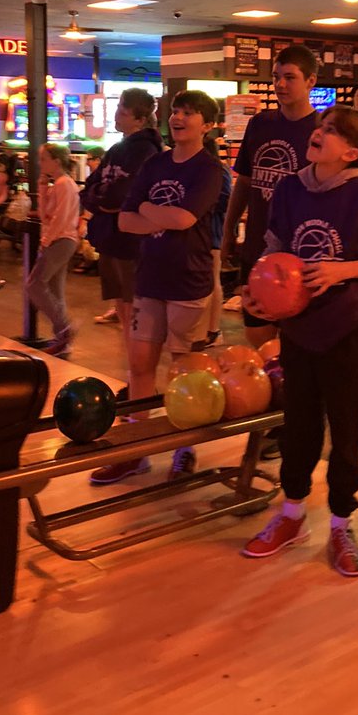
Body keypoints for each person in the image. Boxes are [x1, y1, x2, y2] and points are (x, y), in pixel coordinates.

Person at [239, 106, 358, 576]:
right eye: (322, 127)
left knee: (346, 430)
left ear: (352, 152)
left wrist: (342, 270)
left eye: (331, 132)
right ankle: (292, 515)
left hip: (346, 329)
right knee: (298, 426)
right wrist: (260, 294)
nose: (320, 133)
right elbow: (275, 249)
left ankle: (340, 522)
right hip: (298, 328)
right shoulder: (292, 187)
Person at [90, 91, 223, 486]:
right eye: (175, 112)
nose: (179, 119)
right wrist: (152, 215)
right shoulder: (155, 163)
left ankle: (185, 448)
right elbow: (124, 222)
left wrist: (147, 210)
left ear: (208, 125)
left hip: (188, 280)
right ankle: (137, 450)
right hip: (149, 278)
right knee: (140, 367)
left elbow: (184, 218)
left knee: (185, 372)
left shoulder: (208, 169)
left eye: (189, 113)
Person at [222, 45, 320, 351]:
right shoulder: (260, 124)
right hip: (256, 247)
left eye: (289, 77)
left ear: (310, 82)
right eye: (276, 77)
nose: (280, 85)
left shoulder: (322, 130)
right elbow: (245, 181)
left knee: (293, 345)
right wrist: (227, 230)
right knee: (257, 337)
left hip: (298, 254)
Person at [81, 89, 163, 360]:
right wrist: (101, 199)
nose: (116, 116)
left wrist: (101, 199)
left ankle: (138, 368)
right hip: (111, 237)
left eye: (122, 112)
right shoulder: (118, 148)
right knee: (122, 306)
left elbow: (124, 194)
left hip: (130, 241)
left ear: (140, 119)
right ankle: (132, 364)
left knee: (133, 306)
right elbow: (89, 188)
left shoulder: (146, 150)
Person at [26, 143, 81, 357]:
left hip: (61, 240)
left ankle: (65, 327)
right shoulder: (57, 184)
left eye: (43, 159)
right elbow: (44, 215)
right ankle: (62, 340)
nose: (40, 164)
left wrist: (46, 240)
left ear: (56, 161)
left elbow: (61, 217)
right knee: (55, 290)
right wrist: (41, 187)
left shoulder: (64, 184)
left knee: (34, 284)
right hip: (60, 239)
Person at [202, 136, 232, 349]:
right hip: (198, 235)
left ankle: (213, 331)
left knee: (212, 281)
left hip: (212, 234)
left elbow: (224, 201)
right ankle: (204, 329)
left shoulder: (219, 170)